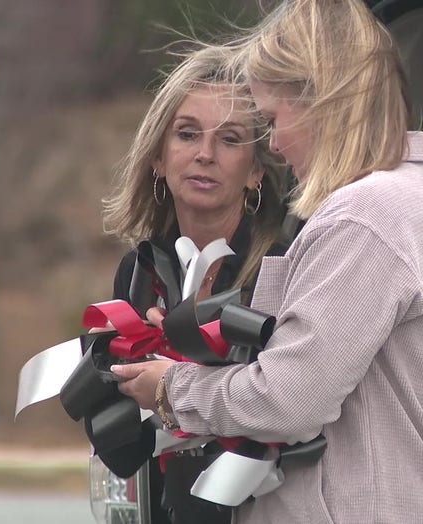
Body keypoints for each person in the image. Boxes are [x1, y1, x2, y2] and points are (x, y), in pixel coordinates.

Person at [110, 1, 423, 523]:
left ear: (321, 98)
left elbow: (287, 400)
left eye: (270, 119)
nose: (274, 144)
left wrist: (169, 388)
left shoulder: (365, 218)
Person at [101, 45, 289, 523]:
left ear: (256, 171)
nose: (204, 154)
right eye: (187, 134)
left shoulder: (284, 265)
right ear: (158, 159)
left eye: (229, 139)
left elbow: (291, 401)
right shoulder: (139, 268)